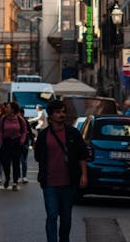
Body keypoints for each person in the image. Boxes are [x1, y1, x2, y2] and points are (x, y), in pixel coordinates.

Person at [34, 99, 88, 242]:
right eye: (58, 112)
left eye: (63, 112)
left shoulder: (73, 133)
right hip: (50, 182)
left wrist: (84, 175)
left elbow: (82, 155)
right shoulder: (43, 135)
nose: (62, 115)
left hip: (68, 182)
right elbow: (38, 156)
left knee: (66, 219)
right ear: (50, 115)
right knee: (52, 215)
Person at [0, 101, 27, 190]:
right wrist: (1, 142)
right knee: (6, 163)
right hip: (6, 143)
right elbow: (0, 131)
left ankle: (15, 182)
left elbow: (24, 131)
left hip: (16, 142)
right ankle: (7, 178)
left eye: (8, 107)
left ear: (12, 109)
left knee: (16, 163)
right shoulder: (3, 119)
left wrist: (22, 140)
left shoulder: (20, 119)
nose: (6, 109)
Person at [18, 106, 33, 183]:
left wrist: (32, 142)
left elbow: (30, 132)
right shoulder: (15, 122)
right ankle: (18, 176)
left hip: (24, 144)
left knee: (23, 160)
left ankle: (24, 176)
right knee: (17, 161)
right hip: (16, 144)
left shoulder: (25, 122)